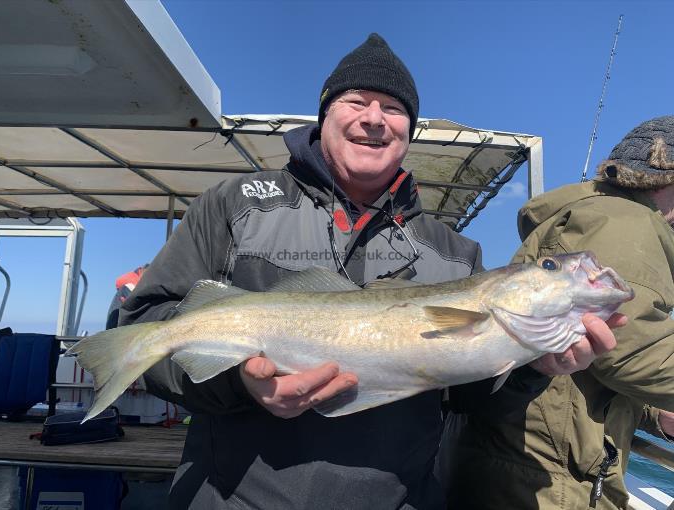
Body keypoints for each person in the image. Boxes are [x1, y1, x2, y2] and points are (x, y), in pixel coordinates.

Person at [120, 34, 620, 509]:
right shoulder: (232, 206)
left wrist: (534, 367)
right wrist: (238, 383)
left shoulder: (456, 254)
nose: (375, 119)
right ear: (325, 115)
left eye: (395, 109)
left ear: (409, 130)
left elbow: (474, 400)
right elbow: (144, 328)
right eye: (356, 102)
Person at [442, 116, 674, 509]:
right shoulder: (627, 221)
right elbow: (630, 348)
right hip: (551, 481)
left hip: (525, 467)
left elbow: (595, 352)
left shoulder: (599, 215)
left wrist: (655, 416)